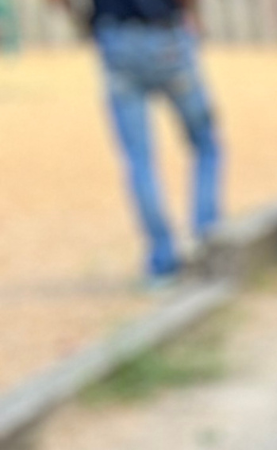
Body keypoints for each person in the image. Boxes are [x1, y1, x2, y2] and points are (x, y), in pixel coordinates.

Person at [50, 0, 224, 286]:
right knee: (205, 143)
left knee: (139, 160)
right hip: (167, 38)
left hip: (117, 40)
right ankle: (206, 244)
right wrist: (195, 18)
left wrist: (83, 19)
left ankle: (163, 260)